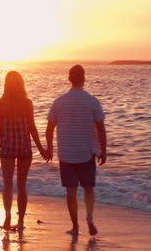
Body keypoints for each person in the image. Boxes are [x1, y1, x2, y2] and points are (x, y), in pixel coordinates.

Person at [45, 65, 107, 236]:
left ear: (69, 79)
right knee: (88, 188)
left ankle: (75, 226)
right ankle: (89, 218)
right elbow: (101, 129)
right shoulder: (92, 101)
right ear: (84, 78)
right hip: (86, 152)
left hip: (66, 153)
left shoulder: (59, 101)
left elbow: (49, 129)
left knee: (71, 192)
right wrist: (103, 150)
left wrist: (49, 148)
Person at [0, 71, 47, 230]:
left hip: (7, 147)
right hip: (24, 147)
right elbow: (32, 128)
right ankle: (21, 220)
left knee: (7, 185)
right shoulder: (27, 103)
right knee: (22, 185)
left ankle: (8, 215)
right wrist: (41, 148)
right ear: (21, 84)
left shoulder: (0, 103)